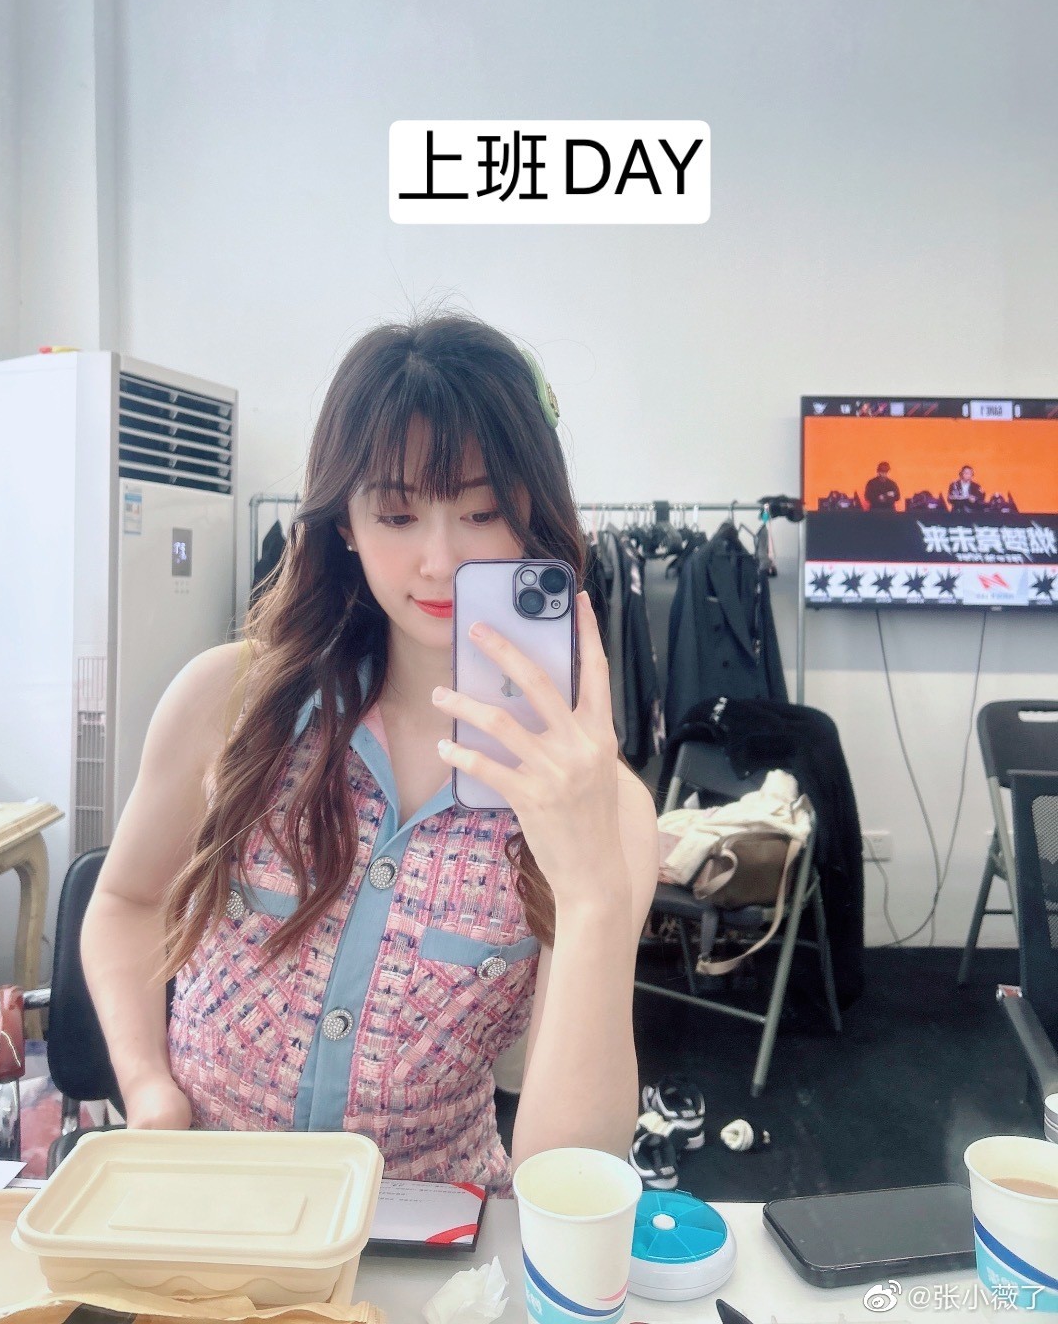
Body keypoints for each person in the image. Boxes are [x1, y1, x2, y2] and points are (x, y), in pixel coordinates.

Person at [80, 314, 658, 1195]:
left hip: (432, 1238)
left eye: (482, 511)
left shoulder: (602, 805)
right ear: (344, 522)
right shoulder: (226, 702)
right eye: (395, 514)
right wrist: (150, 1089)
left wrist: (593, 898)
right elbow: (125, 900)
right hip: (203, 1202)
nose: (439, 559)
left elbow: (564, 1176)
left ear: (533, 511)